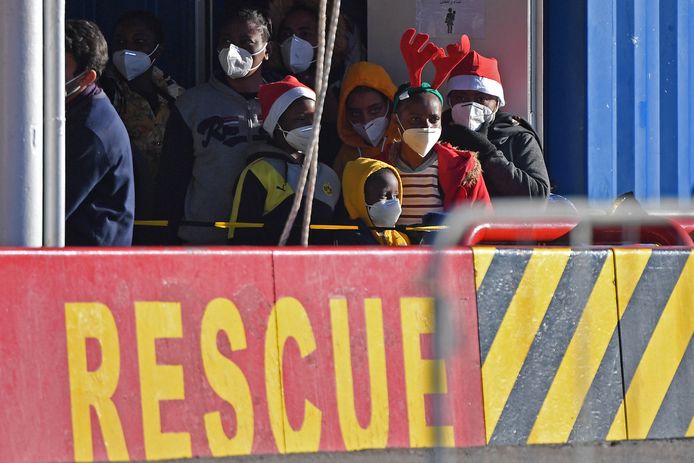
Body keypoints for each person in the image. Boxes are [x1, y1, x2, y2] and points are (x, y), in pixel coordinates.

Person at [156, 9, 271, 244]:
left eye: (245, 42)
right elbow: (172, 180)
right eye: (226, 41)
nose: (233, 50)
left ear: (267, 50)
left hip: (267, 243)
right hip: (202, 241)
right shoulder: (192, 104)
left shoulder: (286, 103)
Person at [376, 29, 491, 229]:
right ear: (396, 121)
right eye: (415, 119)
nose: (426, 126)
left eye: (433, 119)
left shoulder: (464, 168)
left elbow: (483, 224)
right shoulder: (378, 167)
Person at [228, 76, 340, 245]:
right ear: (276, 123)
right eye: (301, 119)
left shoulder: (329, 175)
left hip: (320, 270)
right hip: (273, 269)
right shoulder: (259, 172)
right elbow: (240, 237)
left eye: (315, 119)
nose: (312, 126)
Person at [100, 11, 184, 221]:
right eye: (120, 41)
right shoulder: (105, 95)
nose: (128, 49)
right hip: (121, 209)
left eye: (139, 42)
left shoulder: (177, 97)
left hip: (169, 209)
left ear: (157, 51)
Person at [441, 44, 550, 200]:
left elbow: (538, 196)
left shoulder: (517, 137)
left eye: (481, 99)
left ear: (497, 103)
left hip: (500, 223)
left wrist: (487, 152)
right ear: (450, 101)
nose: (471, 105)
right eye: (461, 97)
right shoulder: (437, 133)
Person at [65, 20, 135, 246]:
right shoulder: (76, 108)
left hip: (91, 264)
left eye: (59, 67)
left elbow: (52, 208)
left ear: (86, 78)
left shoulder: (91, 130)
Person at [268, 0, 349, 166]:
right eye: (287, 33)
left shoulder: (341, 84)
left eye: (305, 34)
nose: (294, 41)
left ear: (323, 38)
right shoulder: (268, 84)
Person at [332, 61, 399, 180]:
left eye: (374, 110)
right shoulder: (345, 156)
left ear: (390, 105)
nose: (366, 120)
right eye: (356, 113)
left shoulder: (405, 144)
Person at [337, 158, 410, 246]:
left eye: (396, 195)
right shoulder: (349, 241)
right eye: (384, 196)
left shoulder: (399, 240)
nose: (393, 202)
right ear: (359, 197)